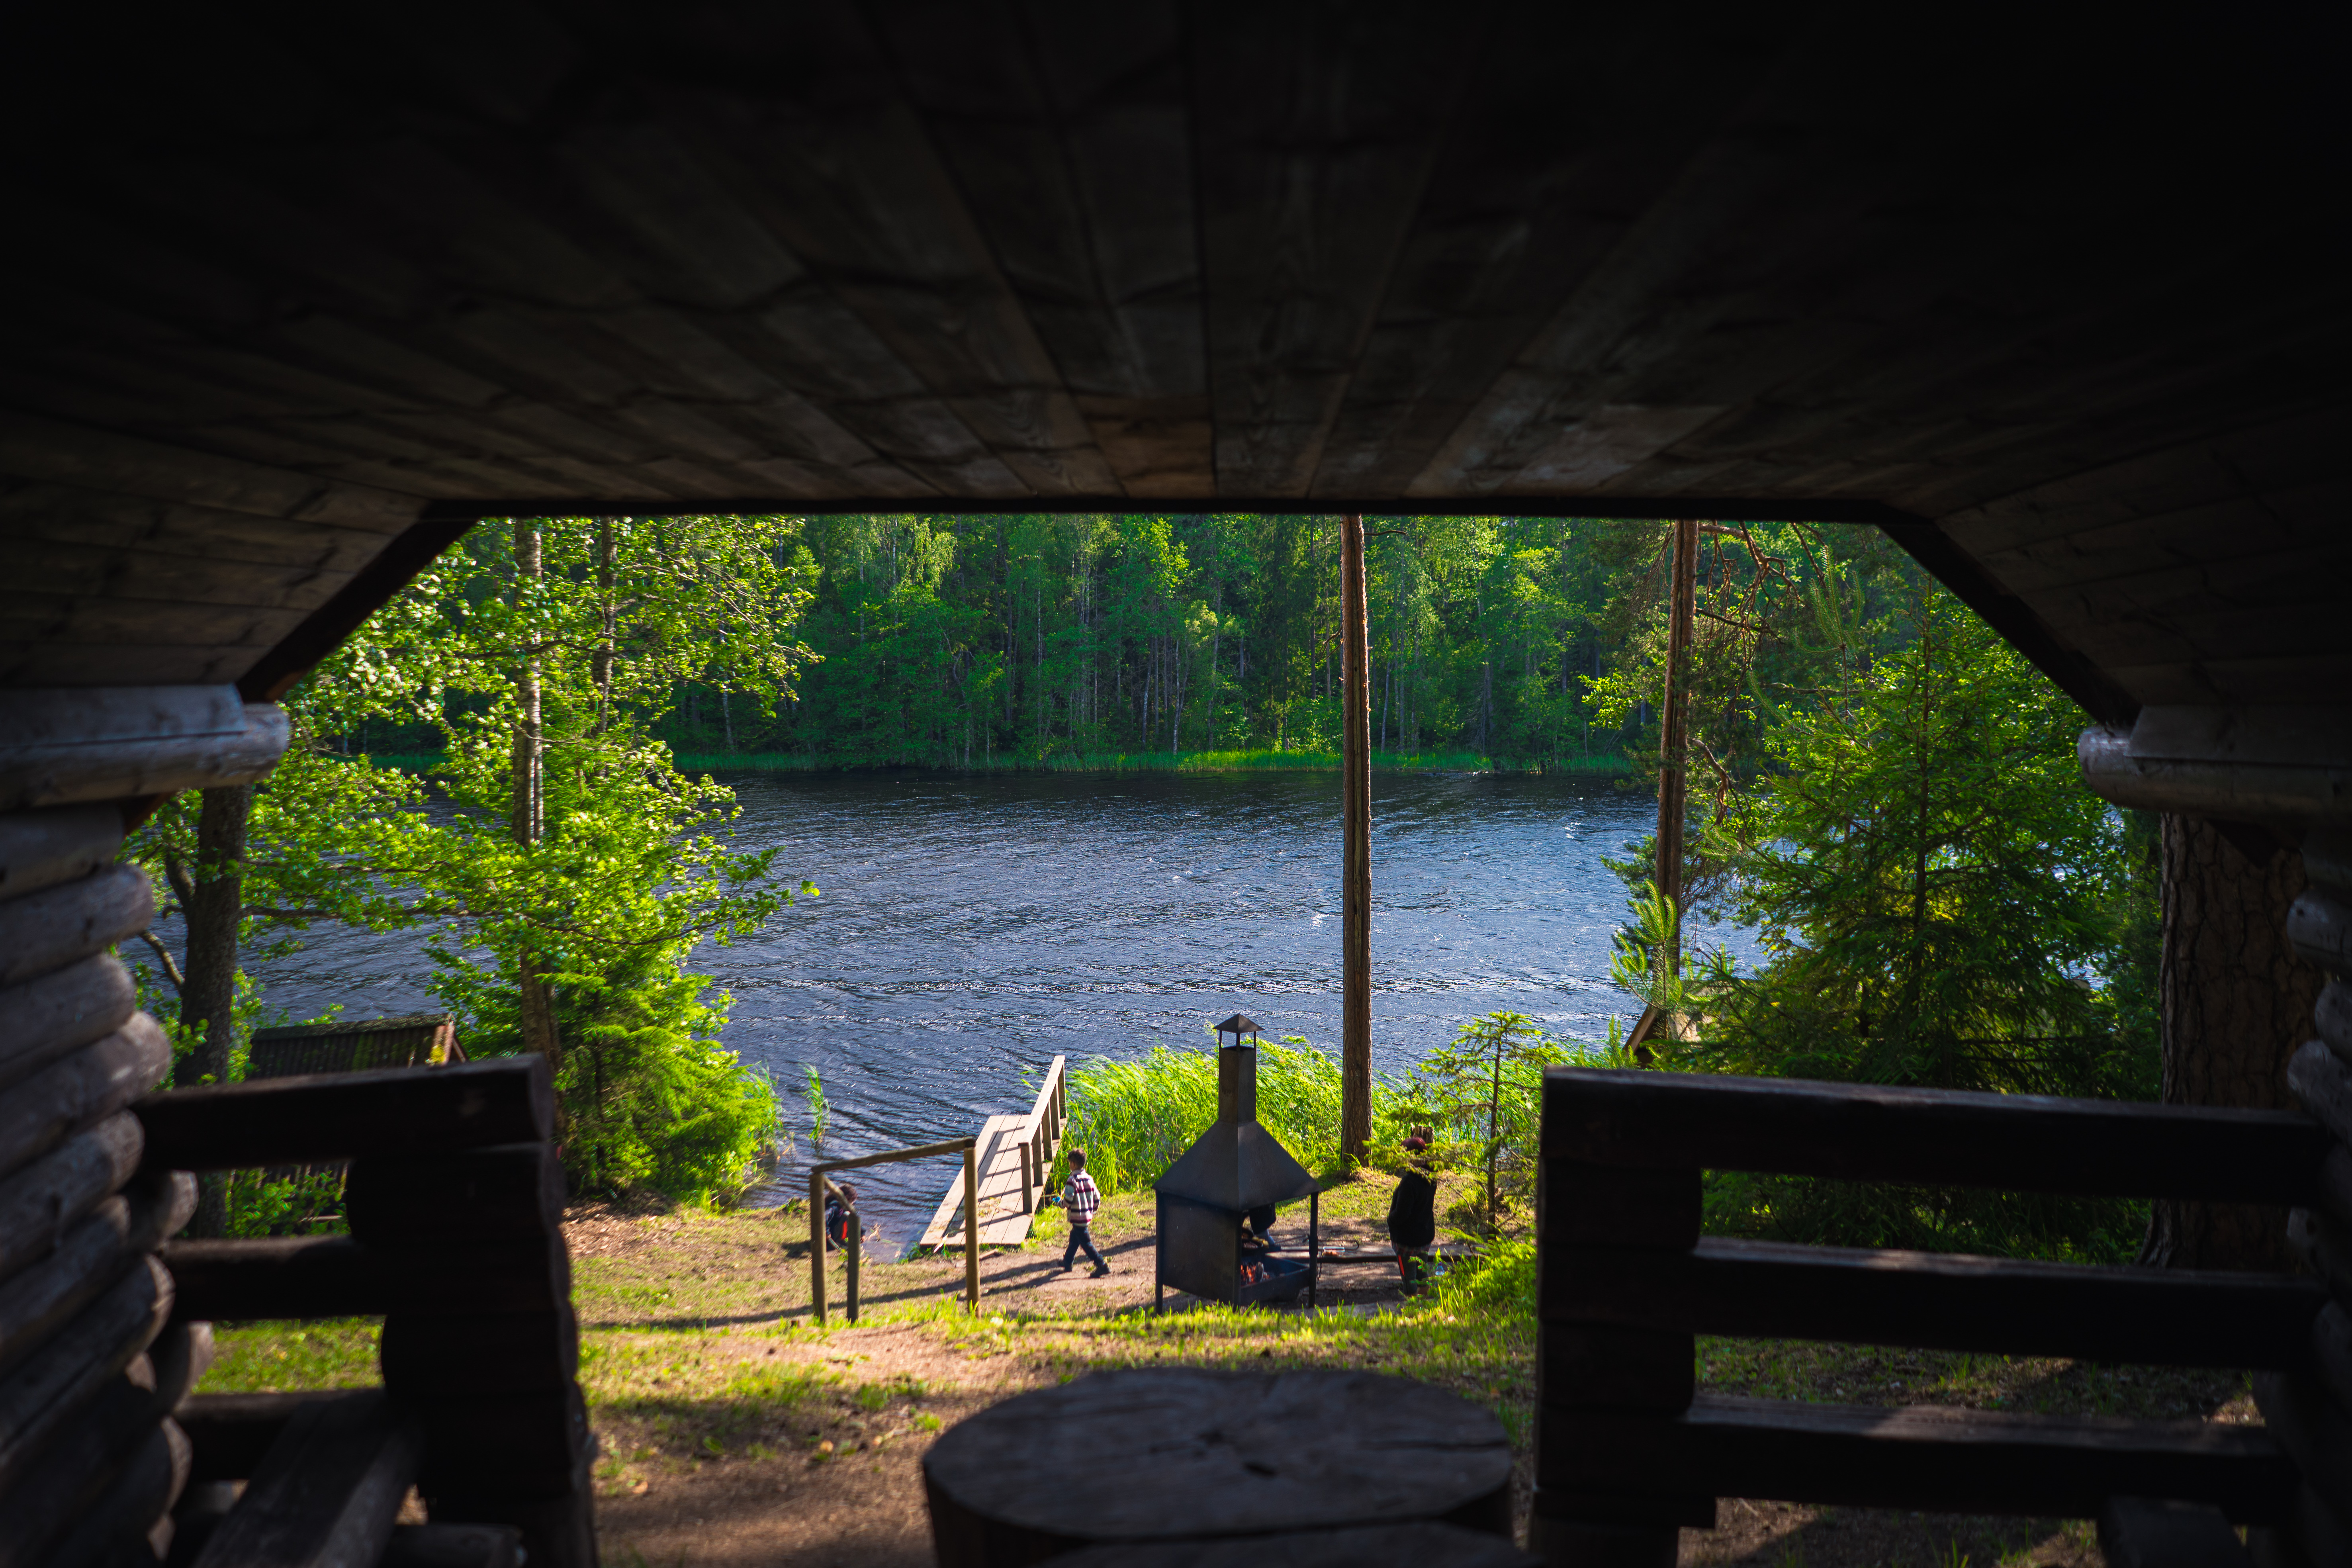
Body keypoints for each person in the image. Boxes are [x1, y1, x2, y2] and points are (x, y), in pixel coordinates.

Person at [1387, 1133, 1438, 1288]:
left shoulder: (1409, 1182)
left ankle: (1413, 1309)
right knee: (1423, 1275)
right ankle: (1425, 1307)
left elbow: (1402, 1213)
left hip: (1407, 1240)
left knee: (1410, 1280)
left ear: (1413, 1156)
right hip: (1425, 1236)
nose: (1403, 1158)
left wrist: (1390, 1220)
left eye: (1405, 1154)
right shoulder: (1431, 1177)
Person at [1059, 1149, 1110, 1277]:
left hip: (1077, 1217)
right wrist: (1093, 1210)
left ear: (1073, 1164)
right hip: (1086, 1217)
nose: (1069, 1165)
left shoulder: (1072, 1180)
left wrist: (1060, 1203)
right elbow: (1097, 1197)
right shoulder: (1089, 1179)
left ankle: (1101, 1264)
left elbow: (1068, 1200)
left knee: (1086, 1244)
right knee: (1075, 1239)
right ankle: (1068, 1262)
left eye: (1070, 1163)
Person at [824, 1181, 858, 1250]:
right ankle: (842, 1244)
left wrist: (862, 1233)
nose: (852, 1205)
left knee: (850, 1214)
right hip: (830, 1238)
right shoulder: (835, 1207)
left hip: (832, 1235)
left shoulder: (842, 1206)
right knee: (847, 1215)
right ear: (847, 1198)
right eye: (852, 1202)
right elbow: (824, 1217)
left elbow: (855, 1218)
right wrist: (827, 1232)